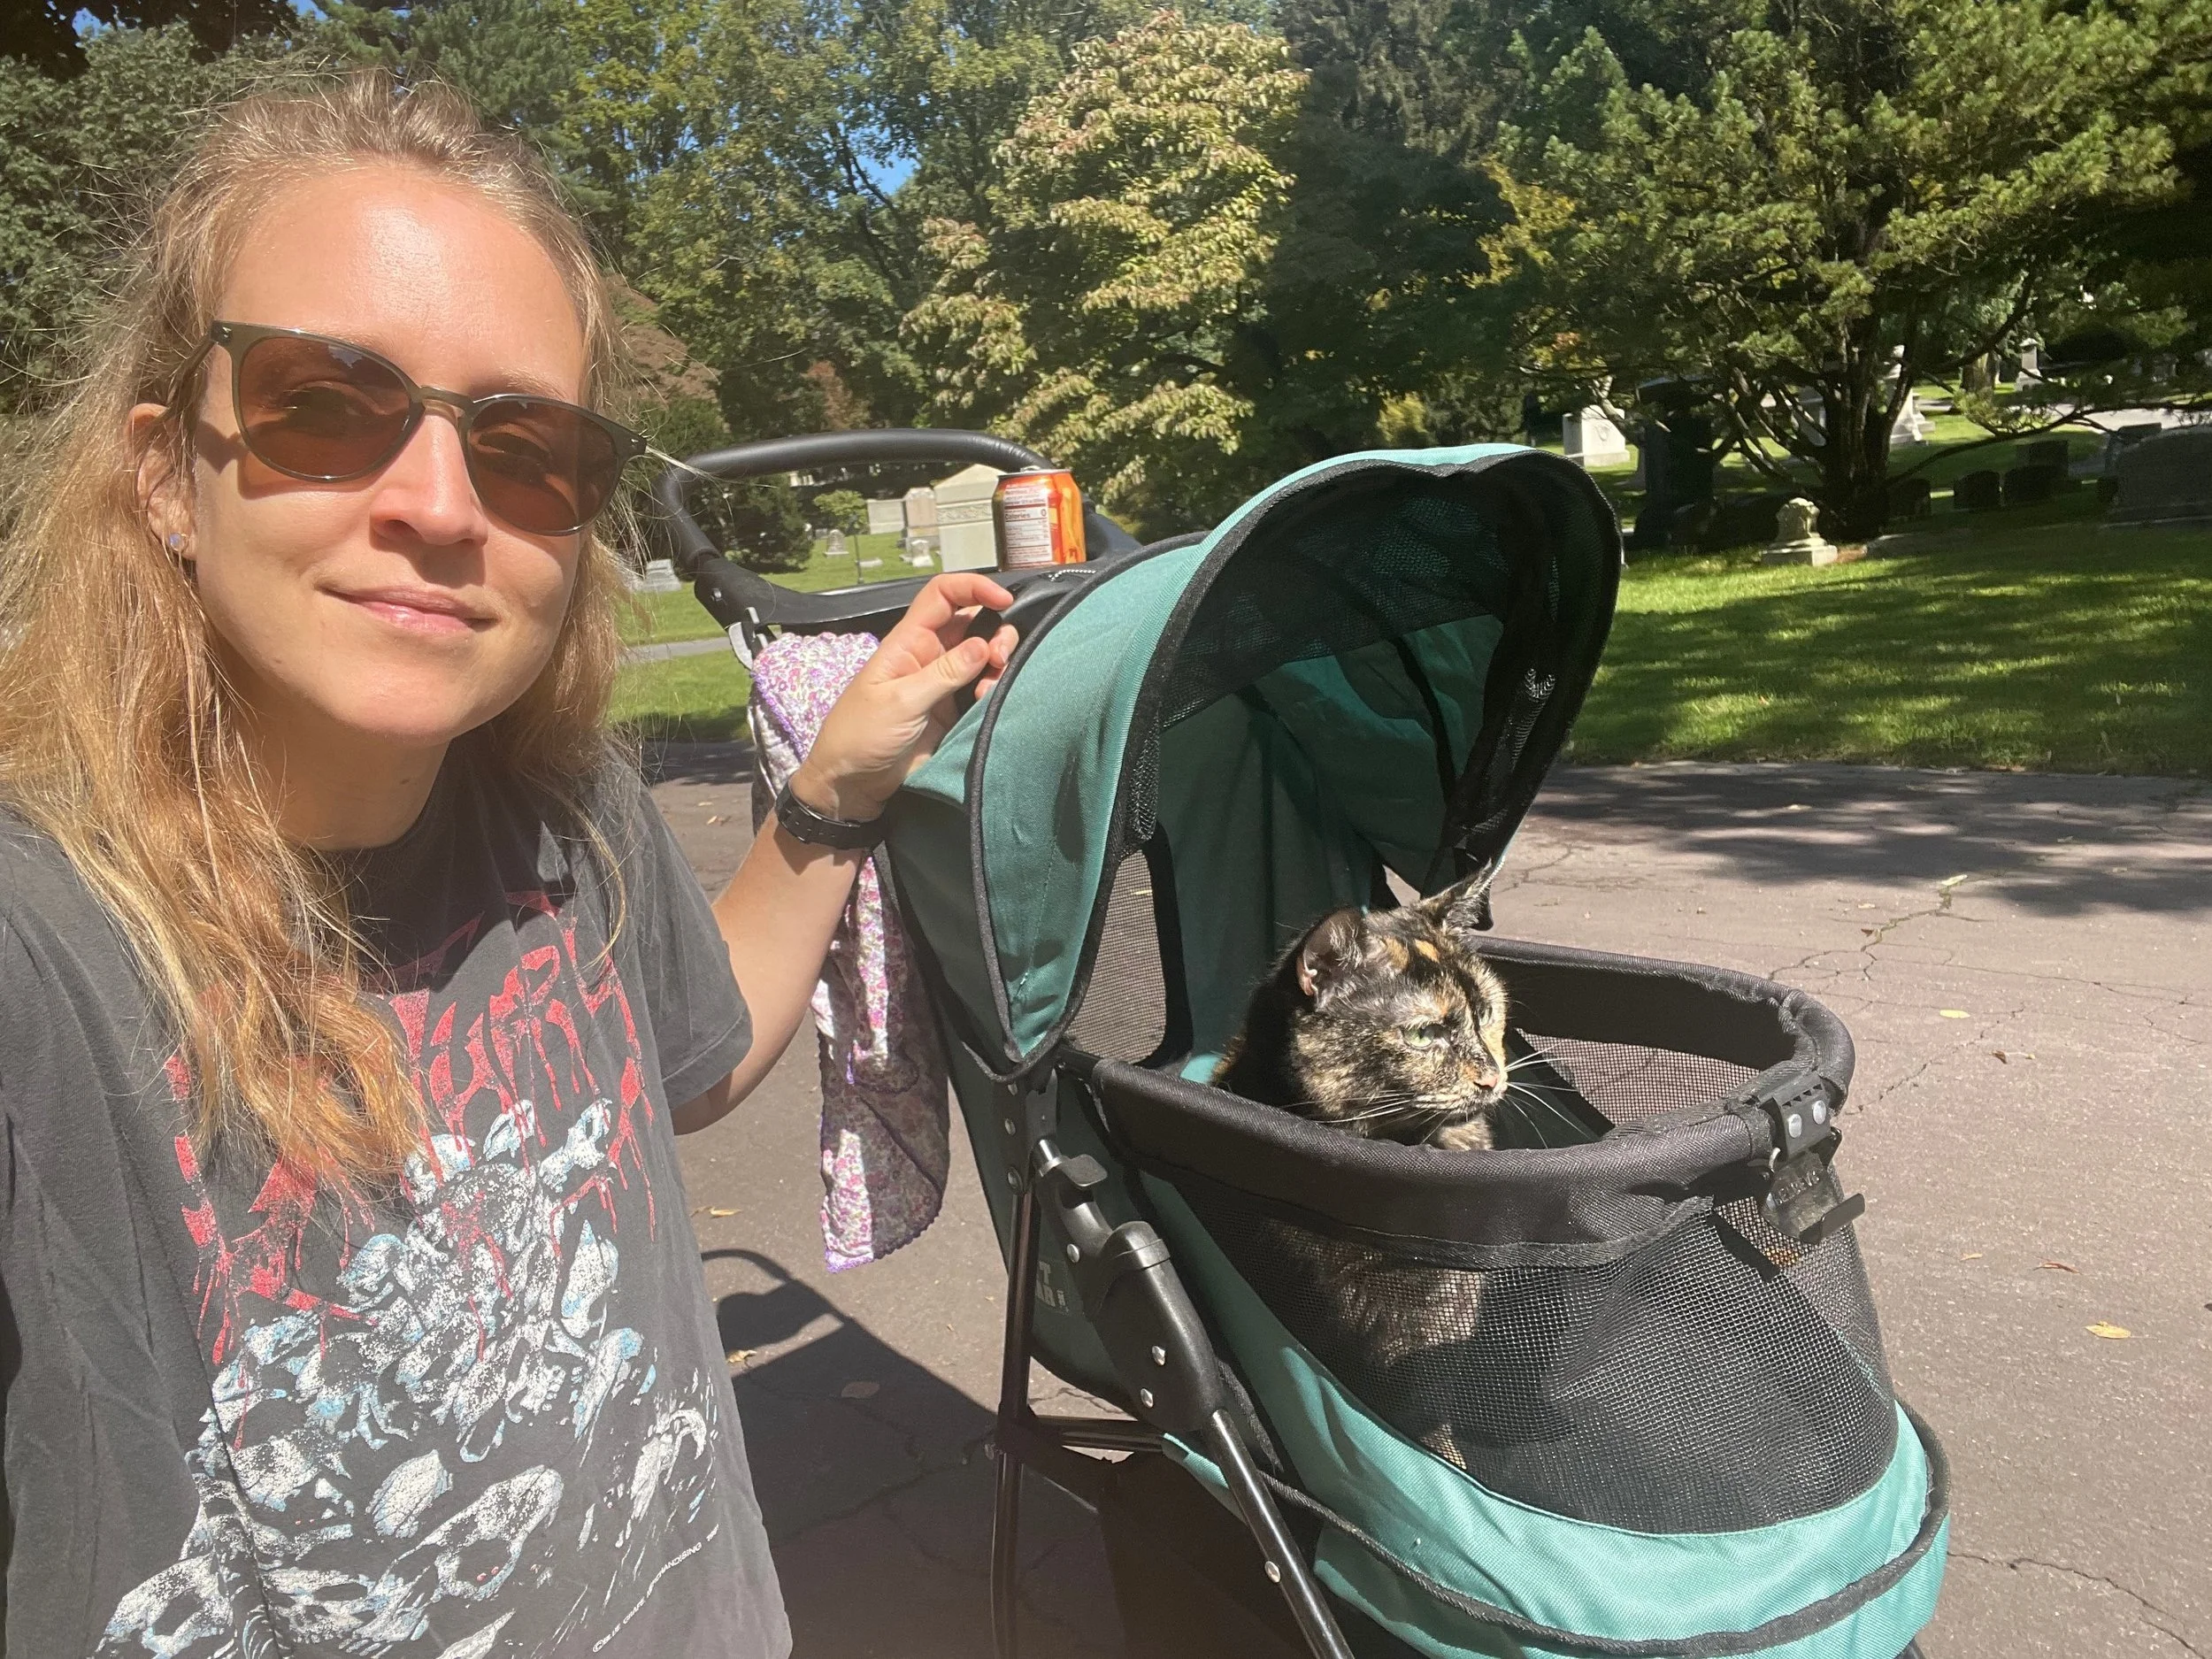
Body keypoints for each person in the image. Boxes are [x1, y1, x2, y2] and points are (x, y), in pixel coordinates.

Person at [0, 72, 1014, 1657]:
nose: (438, 505)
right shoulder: (38, 947)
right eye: (322, 405)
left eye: (525, 445)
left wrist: (832, 788)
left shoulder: (563, 808)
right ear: (161, 474)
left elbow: (699, 1056)